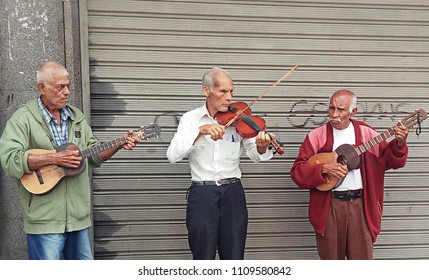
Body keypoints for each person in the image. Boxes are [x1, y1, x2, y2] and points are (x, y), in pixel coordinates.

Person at [0, 61, 139, 260]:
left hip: (78, 219)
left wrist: (119, 143)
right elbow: (10, 160)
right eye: (60, 87)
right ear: (42, 88)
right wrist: (54, 158)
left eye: (68, 86)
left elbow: (93, 157)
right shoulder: (23, 119)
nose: (66, 92)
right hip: (44, 219)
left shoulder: (77, 117)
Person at [166, 67, 276, 260]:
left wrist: (260, 147)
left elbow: (255, 154)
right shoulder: (191, 119)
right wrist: (200, 131)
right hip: (202, 194)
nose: (229, 97)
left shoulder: (239, 118)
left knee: (234, 256)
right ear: (206, 91)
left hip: (233, 193)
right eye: (223, 91)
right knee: (203, 257)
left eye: (231, 91)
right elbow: (172, 155)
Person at [290, 89, 409, 260]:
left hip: (360, 206)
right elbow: (297, 172)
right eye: (331, 108)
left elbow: (392, 161)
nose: (334, 114)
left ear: (353, 111)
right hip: (329, 206)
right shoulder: (317, 136)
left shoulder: (366, 134)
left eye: (341, 109)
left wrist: (399, 142)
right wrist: (323, 169)